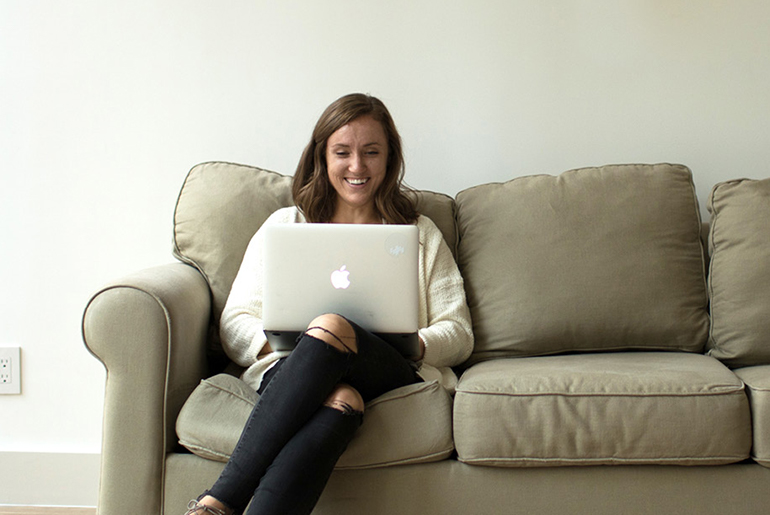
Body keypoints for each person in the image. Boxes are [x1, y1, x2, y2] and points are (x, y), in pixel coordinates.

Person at [185, 93, 474, 515]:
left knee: (333, 325)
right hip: (293, 372)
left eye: (371, 152)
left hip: (393, 368)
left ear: (389, 159)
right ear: (322, 157)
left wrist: (411, 344)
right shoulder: (284, 226)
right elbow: (235, 321)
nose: (357, 166)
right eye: (343, 152)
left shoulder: (419, 233)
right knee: (342, 399)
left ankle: (219, 501)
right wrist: (300, 350)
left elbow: (459, 332)